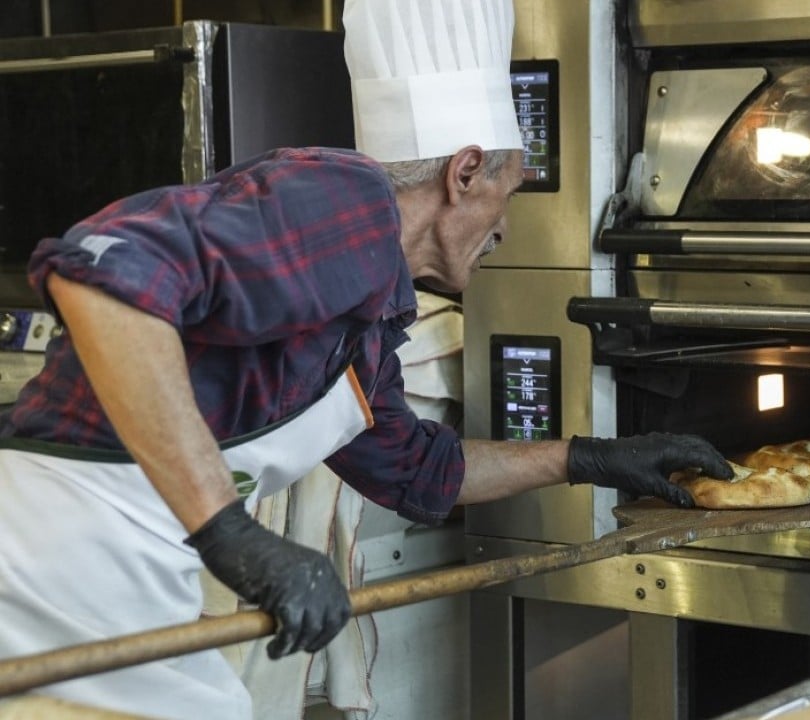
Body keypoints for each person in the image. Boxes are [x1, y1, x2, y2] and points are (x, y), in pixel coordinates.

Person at [0, 0, 732, 717]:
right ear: (465, 171)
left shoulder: (372, 316)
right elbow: (106, 273)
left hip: (132, 557)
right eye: (506, 197)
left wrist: (591, 458)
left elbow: (421, 470)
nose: (504, 230)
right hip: (60, 544)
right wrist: (230, 531)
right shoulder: (344, 201)